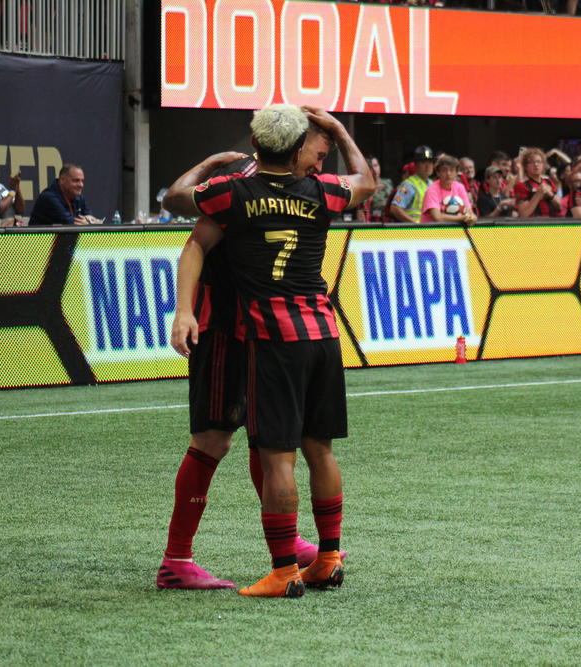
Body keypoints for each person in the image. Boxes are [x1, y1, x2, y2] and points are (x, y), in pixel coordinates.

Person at [166, 104, 374, 597]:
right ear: (297, 146)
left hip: (268, 335)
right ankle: (177, 559)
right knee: (218, 438)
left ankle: (295, 549)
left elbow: (186, 217)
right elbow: (193, 239)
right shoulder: (242, 182)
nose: (320, 167)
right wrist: (186, 309)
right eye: (317, 156)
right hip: (228, 330)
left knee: (273, 440)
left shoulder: (273, 187)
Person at [421, 154, 477, 224]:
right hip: (432, 233)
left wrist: (472, 218)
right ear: (438, 173)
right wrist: (463, 218)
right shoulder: (432, 190)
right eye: (444, 170)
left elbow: (470, 212)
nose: (448, 174)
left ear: (457, 172)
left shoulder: (460, 187)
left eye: (452, 170)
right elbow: (438, 217)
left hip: (454, 232)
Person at [389, 145, 435, 223]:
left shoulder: (433, 184)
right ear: (416, 165)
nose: (427, 166)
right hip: (415, 232)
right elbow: (395, 208)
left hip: (431, 230)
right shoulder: (409, 185)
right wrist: (415, 224)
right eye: (423, 162)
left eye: (430, 162)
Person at [514, 148, 562, 218]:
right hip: (533, 226)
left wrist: (550, 194)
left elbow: (560, 207)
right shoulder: (521, 186)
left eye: (539, 162)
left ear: (543, 165)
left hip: (552, 224)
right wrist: (538, 195)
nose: (536, 164)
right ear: (525, 166)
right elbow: (523, 214)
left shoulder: (549, 182)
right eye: (532, 162)